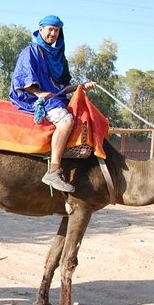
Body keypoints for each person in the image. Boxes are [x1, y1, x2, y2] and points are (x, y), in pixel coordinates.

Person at [9, 15, 96, 193]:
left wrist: (82, 87)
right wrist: (38, 92)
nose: (53, 33)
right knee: (66, 121)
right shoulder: (31, 51)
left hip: (55, 97)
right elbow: (22, 79)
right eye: (50, 29)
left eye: (56, 30)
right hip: (32, 97)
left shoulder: (59, 58)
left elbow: (62, 87)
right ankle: (54, 171)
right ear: (40, 30)